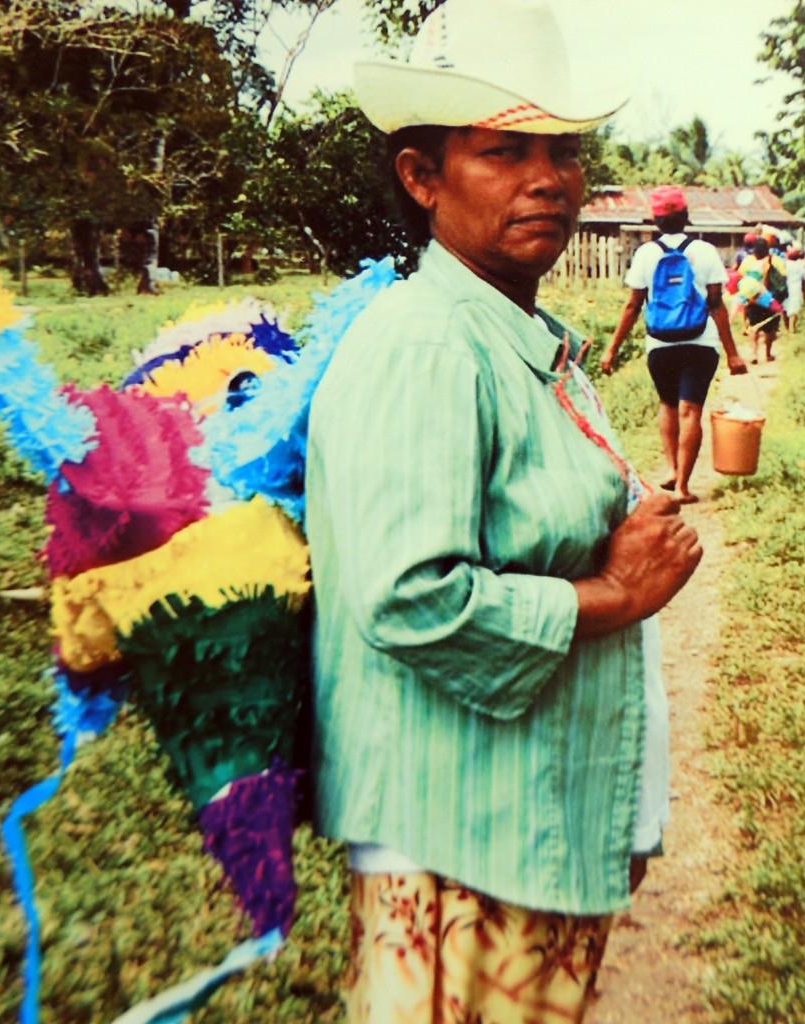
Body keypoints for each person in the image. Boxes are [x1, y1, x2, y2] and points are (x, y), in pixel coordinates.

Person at [305, 2, 702, 1021]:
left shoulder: (519, 336)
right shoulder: (431, 345)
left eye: (562, 150)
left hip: (515, 821)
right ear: (421, 176)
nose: (548, 178)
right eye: (503, 150)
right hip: (457, 844)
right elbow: (410, 598)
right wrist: (615, 591)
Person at [601, 186, 747, 504]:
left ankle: (670, 469)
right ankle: (682, 486)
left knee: (667, 404)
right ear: (685, 216)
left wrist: (611, 348)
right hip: (700, 342)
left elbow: (633, 305)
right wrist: (733, 353)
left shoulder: (646, 253)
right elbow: (716, 304)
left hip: (660, 343)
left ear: (656, 219)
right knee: (690, 409)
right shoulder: (705, 251)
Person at [739, 236, 787, 362]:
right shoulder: (776, 260)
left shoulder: (747, 261)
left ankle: (754, 354)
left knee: (754, 325)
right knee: (770, 328)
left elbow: (741, 277)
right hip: (770, 298)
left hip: (753, 299)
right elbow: (783, 277)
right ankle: (768, 353)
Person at [783, 247, 805, 332]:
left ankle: (787, 328)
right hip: (796, 288)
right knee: (794, 309)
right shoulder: (800, 268)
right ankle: (792, 328)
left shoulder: (784, 265)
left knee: (785, 308)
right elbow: (804, 283)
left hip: (784, 288)